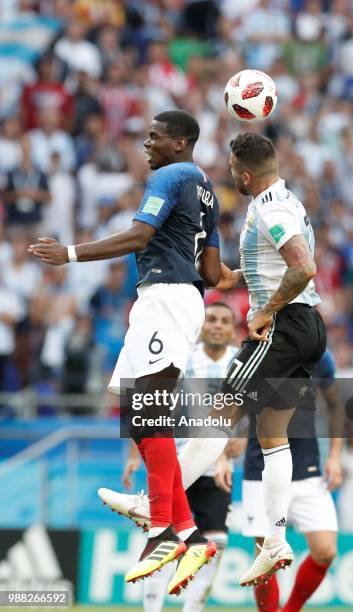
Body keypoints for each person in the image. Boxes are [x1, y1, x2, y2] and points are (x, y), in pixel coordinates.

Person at [101, 132, 327, 588]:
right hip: (308, 329)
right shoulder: (289, 202)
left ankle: (157, 506)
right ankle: (278, 540)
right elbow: (285, 265)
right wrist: (236, 277)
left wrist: (264, 308)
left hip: (282, 328)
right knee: (272, 435)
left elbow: (303, 268)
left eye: (231, 169)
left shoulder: (270, 209)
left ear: (245, 175)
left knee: (218, 417)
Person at [28, 110, 221, 595]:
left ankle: (160, 531)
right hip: (173, 297)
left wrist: (69, 254)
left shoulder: (171, 175)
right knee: (137, 415)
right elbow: (215, 273)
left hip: (167, 299)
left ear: (180, 142)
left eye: (155, 136)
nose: (147, 143)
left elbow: (139, 236)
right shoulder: (208, 191)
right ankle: (191, 537)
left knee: (150, 414)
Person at [101, 302, 244, 612]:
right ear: (202, 327)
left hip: (216, 472)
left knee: (215, 544)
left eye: (224, 321)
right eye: (212, 320)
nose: (217, 326)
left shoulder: (238, 362)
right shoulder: (183, 356)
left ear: (233, 329)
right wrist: (133, 456)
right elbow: (148, 406)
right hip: (175, 462)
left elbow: (248, 414)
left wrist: (238, 441)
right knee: (166, 538)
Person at [241, 349, 342, 612]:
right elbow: (231, 405)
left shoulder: (319, 356)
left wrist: (335, 455)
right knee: (266, 558)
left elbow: (335, 405)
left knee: (325, 551)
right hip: (260, 470)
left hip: (307, 469)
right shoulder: (252, 354)